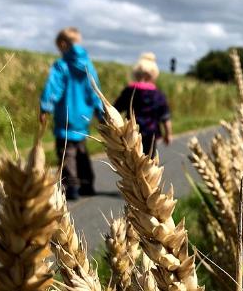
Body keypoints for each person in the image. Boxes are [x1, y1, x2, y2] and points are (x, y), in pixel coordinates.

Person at [39, 27, 104, 200]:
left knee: (67, 152)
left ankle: (72, 186)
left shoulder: (62, 66)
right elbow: (94, 91)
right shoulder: (88, 66)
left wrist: (45, 107)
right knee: (82, 151)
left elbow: (54, 88)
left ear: (62, 44)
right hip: (83, 118)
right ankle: (87, 184)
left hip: (65, 117)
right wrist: (101, 112)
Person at [113, 52, 172, 157]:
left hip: (131, 133)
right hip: (151, 134)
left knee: (131, 160)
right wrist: (168, 134)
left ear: (136, 73)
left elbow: (115, 109)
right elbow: (165, 117)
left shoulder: (129, 90)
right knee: (148, 160)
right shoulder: (158, 94)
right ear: (154, 75)